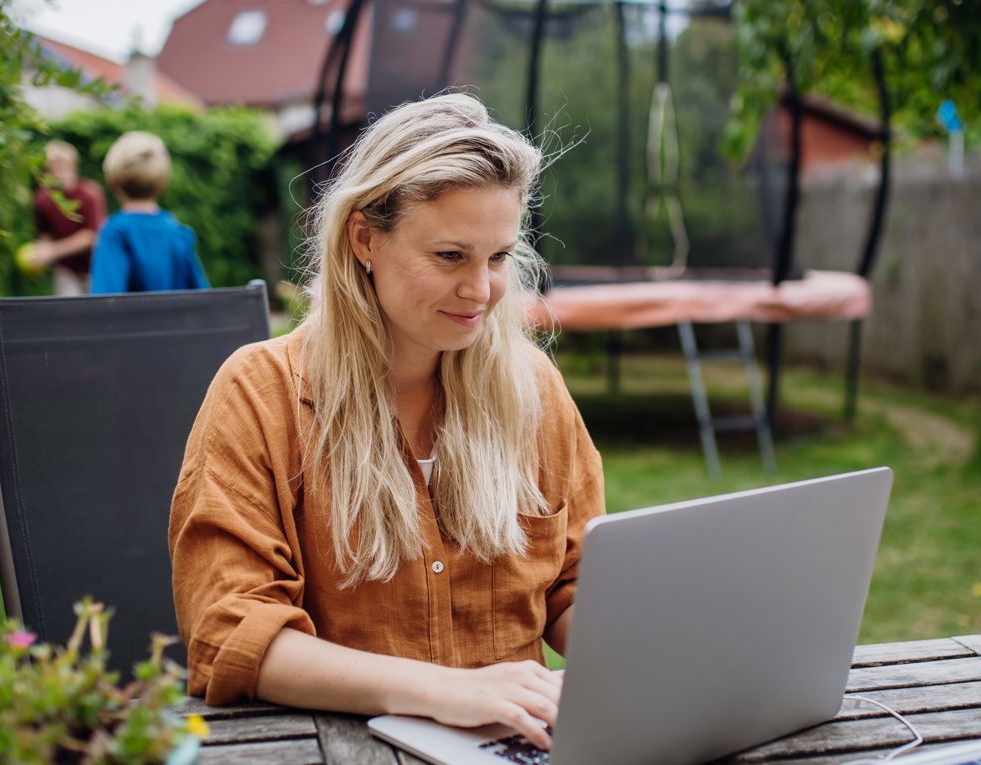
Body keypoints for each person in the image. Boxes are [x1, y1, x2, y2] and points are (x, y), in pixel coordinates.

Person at [168, 93, 604, 751]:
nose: (482, 290)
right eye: (451, 256)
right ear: (365, 239)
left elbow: (575, 587)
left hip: (519, 745)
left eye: (497, 258)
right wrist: (445, 689)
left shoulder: (532, 389)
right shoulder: (261, 394)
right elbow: (231, 633)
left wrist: (655, 647)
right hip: (334, 747)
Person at [89, 131, 209, 294]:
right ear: (163, 184)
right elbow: (204, 298)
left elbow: (105, 300)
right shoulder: (178, 233)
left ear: (112, 182)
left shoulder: (115, 233)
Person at [30, 140, 107, 295]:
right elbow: (45, 234)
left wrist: (53, 251)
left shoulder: (90, 194)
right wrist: (41, 253)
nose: (59, 172)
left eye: (63, 167)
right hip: (66, 270)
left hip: (94, 266)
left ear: (74, 167)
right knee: (69, 315)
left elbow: (90, 236)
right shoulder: (42, 199)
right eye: (53, 168)